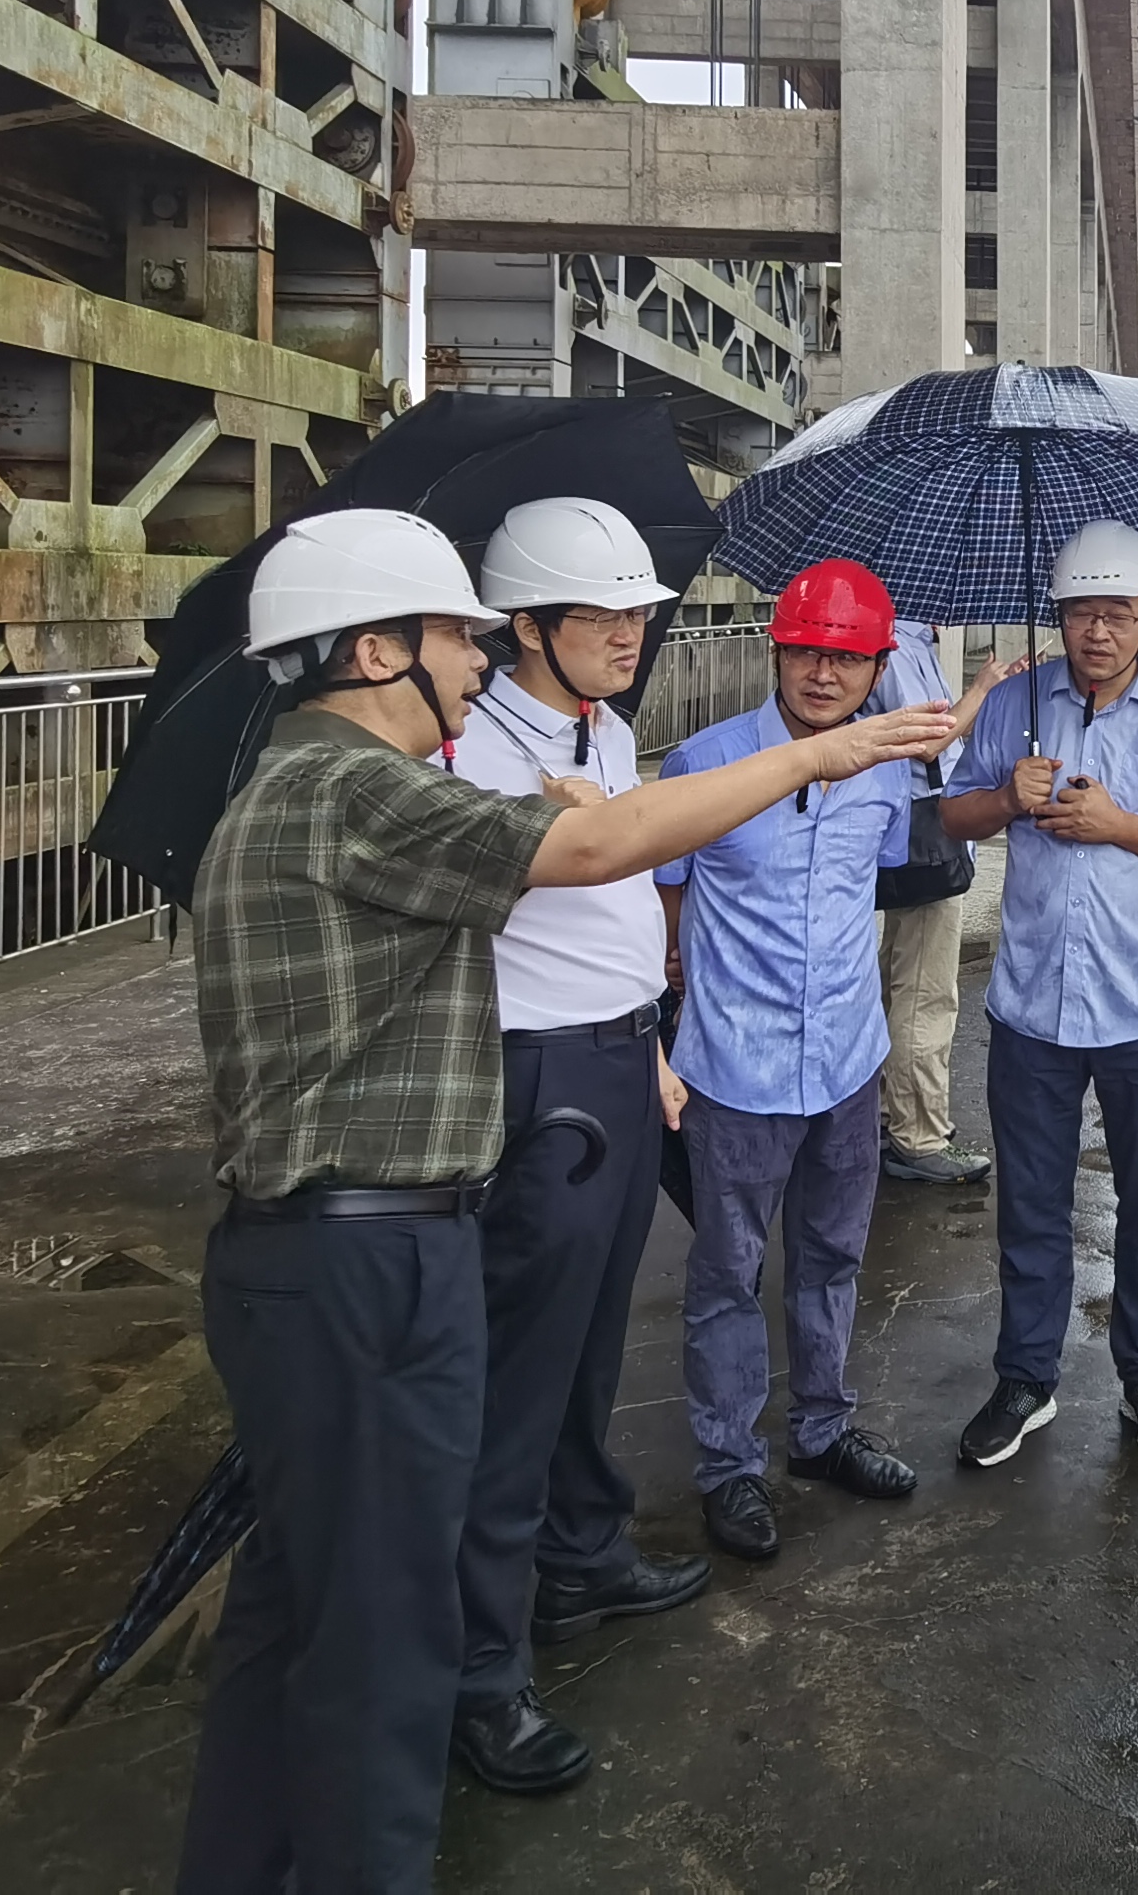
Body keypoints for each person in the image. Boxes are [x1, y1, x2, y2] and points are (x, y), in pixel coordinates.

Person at [177, 509, 955, 1895]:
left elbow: (586, 875)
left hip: (407, 1196)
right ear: (374, 650)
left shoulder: (363, 778)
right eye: (453, 638)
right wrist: (822, 754)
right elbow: (600, 860)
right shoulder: (356, 790)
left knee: (316, 1596)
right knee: (382, 1616)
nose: (473, 662)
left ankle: (264, 1852)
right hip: (368, 1239)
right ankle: (423, 1771)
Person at [656, 559, 1007, 1558]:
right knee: (727, 1272)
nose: (823, 674)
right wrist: (673, 1008)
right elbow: (667, 897)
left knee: (832, 1256)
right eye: (807, 650)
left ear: (876, 667)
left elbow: (882, 874)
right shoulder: (705, 765)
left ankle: (821, 1429)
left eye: (847, 658)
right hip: (735, 1067)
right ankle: (729, 1467)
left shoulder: (888, 772)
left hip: (849, 1063)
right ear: (778, 650)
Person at [441, 498, 704, 1800]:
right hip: (534, 1071)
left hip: (616, 1057)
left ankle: (583, 1554)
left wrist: (647, 1041)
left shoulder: (601, 725)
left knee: (596, 1338)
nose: (629, 632)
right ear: (528, 627)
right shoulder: (469, 749)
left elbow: (614, 900)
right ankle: (481, 1677)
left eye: (636, 611)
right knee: (520, 1374)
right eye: (602, 614)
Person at [937, 520, 1138, 1472]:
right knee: (1030, 1203)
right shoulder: (1014, 706)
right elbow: (952, 815)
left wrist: (1118, 822)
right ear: (1059, 616)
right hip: (1031, 1005)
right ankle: (1026, 1379)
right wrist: (1007, 799)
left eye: (1118, 612)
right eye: (1080, 612)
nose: (1098, 631)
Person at [873, 610, 991, 1185]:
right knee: (925, 992)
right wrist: (983, 688)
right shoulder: (897, 646)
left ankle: (886, 1111)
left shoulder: (914, 641)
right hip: (920, 836)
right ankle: (918, 1137)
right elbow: (926, 743)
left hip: (911, 833)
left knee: (896, 977)